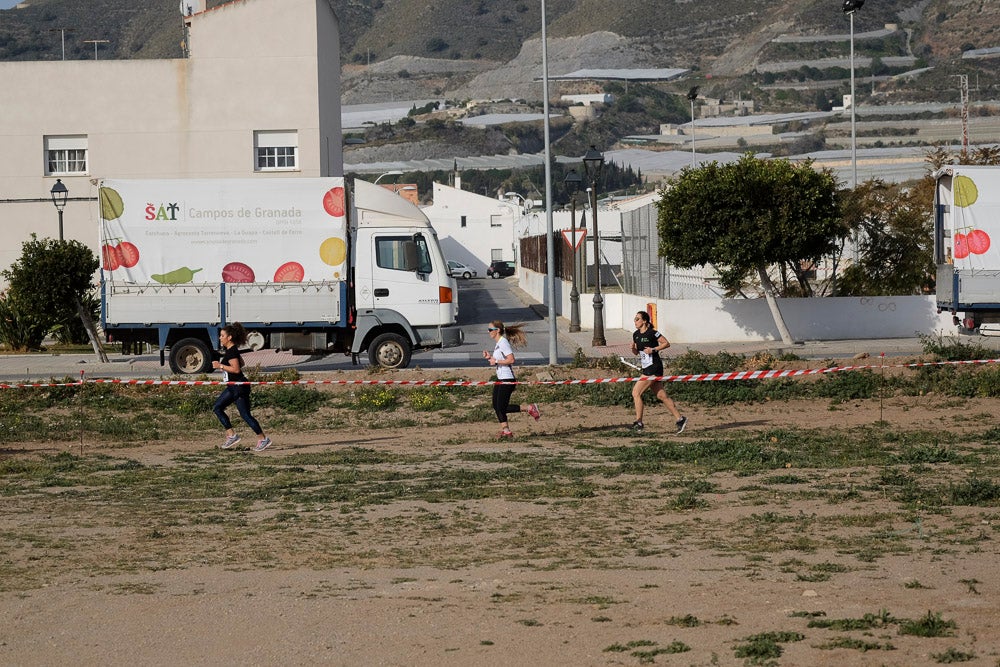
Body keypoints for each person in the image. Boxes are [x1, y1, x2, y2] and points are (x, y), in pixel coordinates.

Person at [212, 322, 272, 452]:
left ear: (229, 338)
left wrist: (220, 366)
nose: (220, 338)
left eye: (222, 335)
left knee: (245, 415)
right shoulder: (232, 350)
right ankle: (232, 435)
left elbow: (237, 369)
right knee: (217, 407)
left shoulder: (232, 351)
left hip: (238, 387)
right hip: (233, 387)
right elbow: (242, 363)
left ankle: (263, 439)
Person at [630, 310, 687, 434]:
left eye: (637, 319)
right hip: (646, 368)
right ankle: (680, 419)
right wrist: (633, 349)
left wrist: (653, 349)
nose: (635, 321)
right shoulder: (635, 334)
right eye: (634, 319)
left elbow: (666, 343)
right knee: (661, 396)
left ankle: (638, 422)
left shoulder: (652, 333)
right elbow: (637, 352)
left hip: (654, 368)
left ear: (644, 321)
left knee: (636, 392)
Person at [482, 320, 540, 438]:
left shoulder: (503, 343)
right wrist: (491, 357)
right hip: (501, 378)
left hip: (507, 379)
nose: (488, 332)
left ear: (497, 331)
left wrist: (496, 361)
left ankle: (529, 408)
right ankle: (506, 431)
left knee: (502, 407)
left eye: (490, 330)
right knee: (496, 405)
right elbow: (501, 360)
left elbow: (511, 360)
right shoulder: (499, 343)